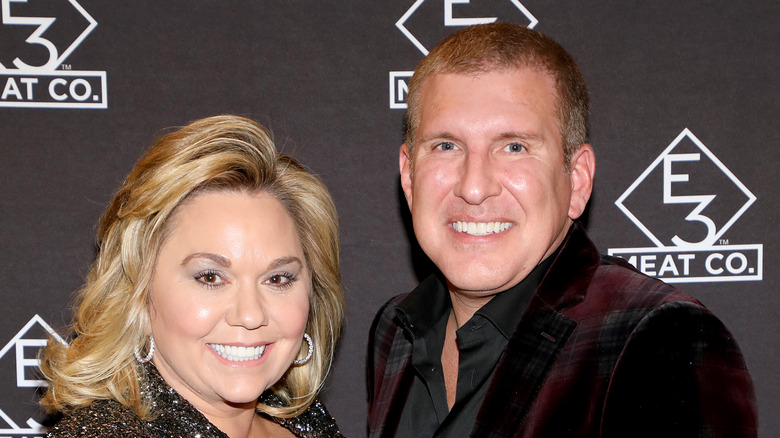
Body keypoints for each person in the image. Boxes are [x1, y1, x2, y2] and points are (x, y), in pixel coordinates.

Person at [367, 23, 757, 437]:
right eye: (446, 146)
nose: (474, 187)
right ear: (409, 177)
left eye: (514, 147)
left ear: (577, 179)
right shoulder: (394, 332)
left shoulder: (659, 340)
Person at [40, 115, 345, 438]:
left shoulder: (308, 424)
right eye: (211, 277)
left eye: (278, 279)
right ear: (138, 293)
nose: (251, 315)